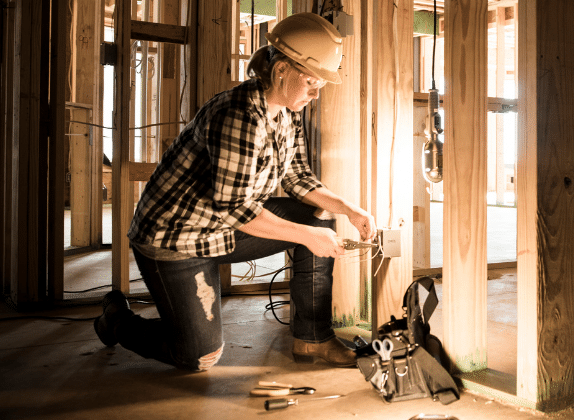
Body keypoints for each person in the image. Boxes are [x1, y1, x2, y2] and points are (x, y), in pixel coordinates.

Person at [93, 12, 376, 371]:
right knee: (199, 356)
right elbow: (236, 208)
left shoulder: (287, 113)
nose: (316, 94)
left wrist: (349, 209)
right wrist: (306, 236)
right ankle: (117, 319)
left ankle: (312, 339)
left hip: (221, 230)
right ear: (281, 71)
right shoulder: (240, 116)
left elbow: (298, 178)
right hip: (175, 239)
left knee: (317, 224)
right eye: (311, 82)